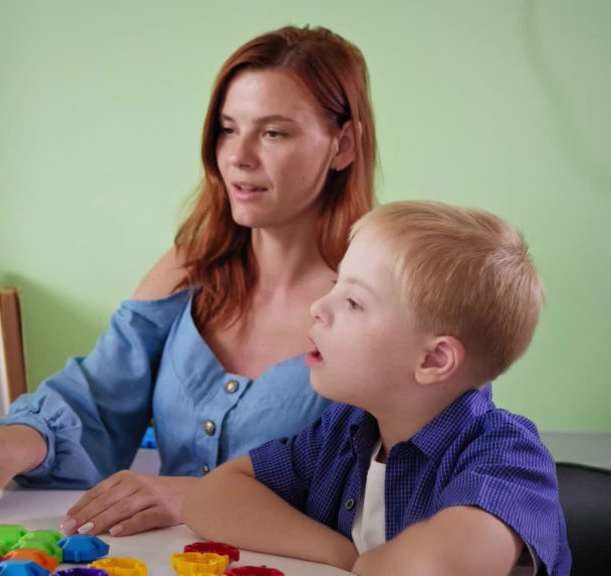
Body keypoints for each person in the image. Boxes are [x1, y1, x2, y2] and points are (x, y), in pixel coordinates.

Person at [0, 24, 377, 537]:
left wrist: (202, 498)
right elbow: (97, 396)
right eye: (227, 128)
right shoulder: (189, 268)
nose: (237, 156)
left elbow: (386, 491)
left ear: (343, 145)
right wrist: (7, 443)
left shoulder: (380, 303)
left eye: (273, 133)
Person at [182, 200, 571, 576]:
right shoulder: (343, 429)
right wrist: (340, 555)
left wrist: (362, 565)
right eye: (334, 284)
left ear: (433, 361)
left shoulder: (509, 455)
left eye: (353, 302)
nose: (317, 307)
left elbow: (441, 567)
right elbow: (211, 497)